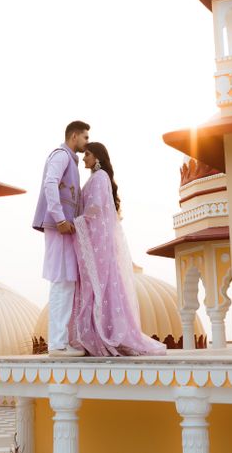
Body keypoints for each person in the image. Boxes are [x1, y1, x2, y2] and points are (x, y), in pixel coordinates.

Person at [70, 141, 167, 357]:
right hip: (98, 243)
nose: (84, 158)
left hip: (97, 244)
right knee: (97, 287)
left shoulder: (100, 178)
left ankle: (103, 334)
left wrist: (76, 223)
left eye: (87, 154)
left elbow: (94, 209)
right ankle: (96, 332)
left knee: (100, 287)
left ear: (97, 157)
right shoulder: (97, 178)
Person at [32, 120, 90, 357]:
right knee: (61, 280)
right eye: (85, 137)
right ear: (74, 136)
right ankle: (57, 343)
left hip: (64, 227)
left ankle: (60, 341)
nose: (87, 143)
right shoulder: (61, 155)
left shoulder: (71, 161)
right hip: (60, 227)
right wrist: (59, 218)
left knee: (66, 280)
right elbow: (50, 184)